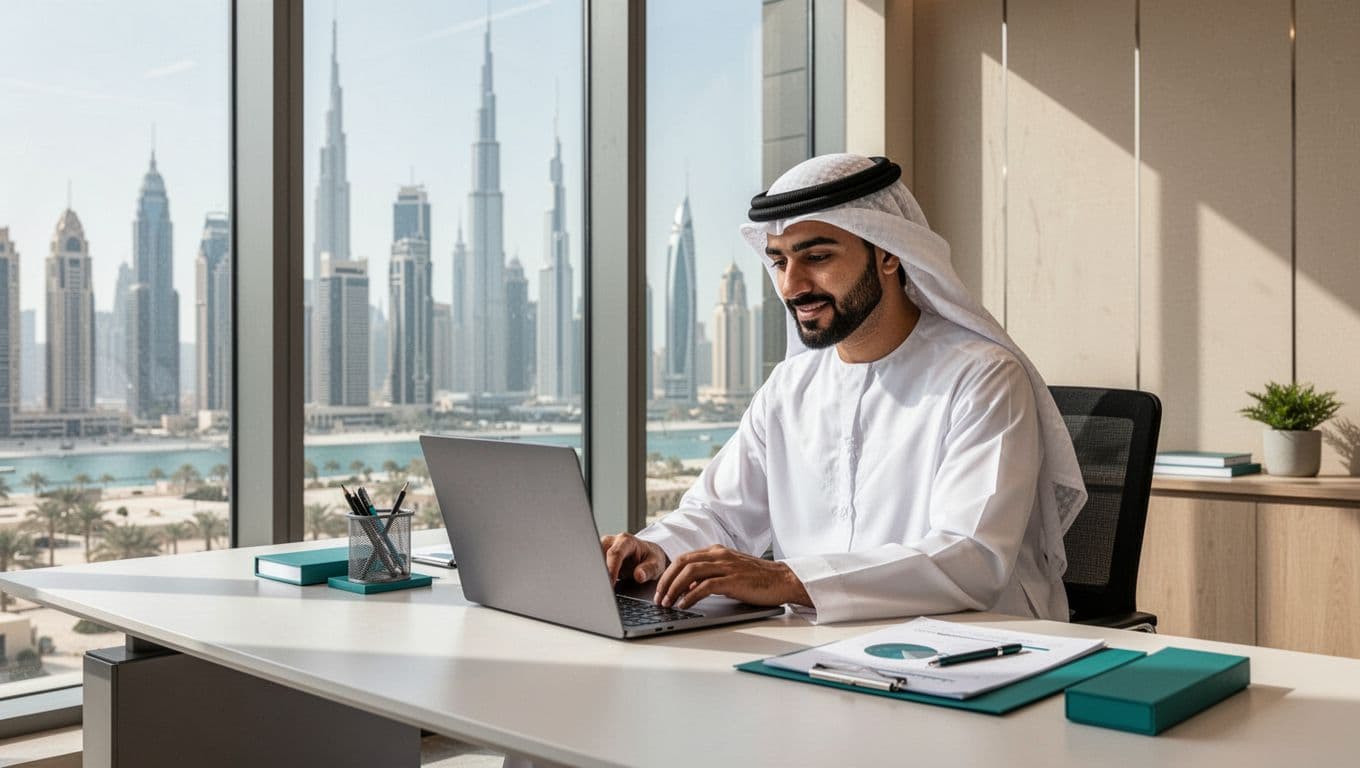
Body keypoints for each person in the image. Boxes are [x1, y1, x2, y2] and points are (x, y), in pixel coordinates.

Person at [601, 153, 1087, 624]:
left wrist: (786, 580)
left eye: (816, 256)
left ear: (889, 253)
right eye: (779, 262)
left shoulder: (982, 377)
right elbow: (720, 514)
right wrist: (656, 549)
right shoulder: (789, 387)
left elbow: (971, 557)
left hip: (972, 656)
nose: (792, 285)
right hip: (817, 653)